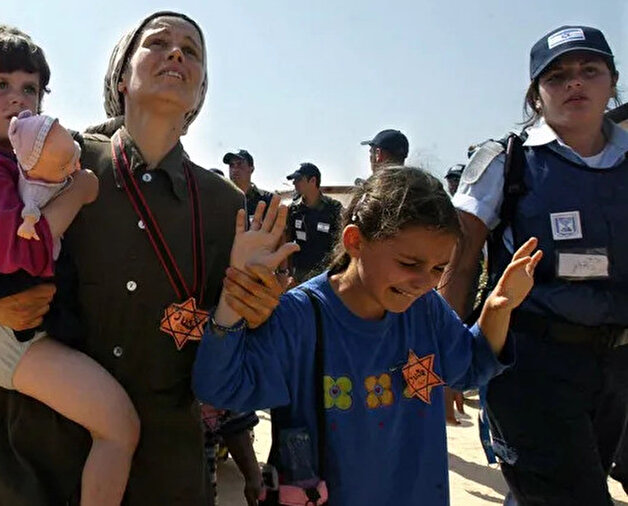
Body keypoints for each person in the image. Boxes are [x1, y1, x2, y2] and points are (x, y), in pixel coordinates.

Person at [0, 12, 279, 505]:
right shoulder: (54, 162)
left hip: (162, 469)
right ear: (122, 75)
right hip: (36, 462)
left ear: (202, 87)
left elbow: (227, 340)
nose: (177, 53)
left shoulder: (225, 205)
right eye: (158, 42)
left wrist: (257, 310)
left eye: (192, 50)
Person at [193, 167, 542, 506]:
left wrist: (498, 308)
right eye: (409, 263)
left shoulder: (426, 310)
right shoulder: (300, 318)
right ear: (355, 241)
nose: (424, 282)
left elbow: (470, 367)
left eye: (438, 268)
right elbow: (220, 388)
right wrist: (234, 298)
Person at [0, 24, 138, 506]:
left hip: (6, 337)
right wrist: (76, 195)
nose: (18, 100)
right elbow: (15, 253)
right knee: (119, 427)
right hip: (15, 339)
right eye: (0, 86)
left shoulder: (1, 161)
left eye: (30, 88)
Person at [440, 25, 628, 505]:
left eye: (590, 70)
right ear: (536, 95)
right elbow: (459, 268)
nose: (575, 84)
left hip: (616, 368)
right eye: (557, 75)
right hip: (533, 367)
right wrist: (442, 363)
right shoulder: (507, 161)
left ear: (613, 80)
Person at [285, 162, 343, 283]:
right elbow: (288, 240)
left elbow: (341, 242)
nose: (294, 183)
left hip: (326, 273)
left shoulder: (333, 208)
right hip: (300, 273)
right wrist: (288, 272)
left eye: (299, 179)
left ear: (312, 180)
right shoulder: (293, 209)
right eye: (294, 180)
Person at [223, 148, 274, 219]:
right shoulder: (222, 198)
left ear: (251, 169)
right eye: (231, 165)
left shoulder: (267, 199)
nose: (235, 169)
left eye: (239, 164)